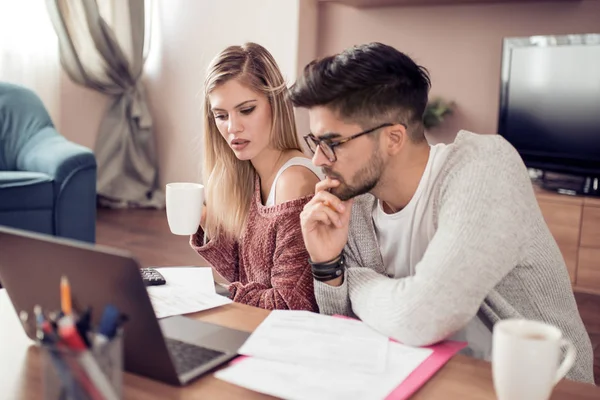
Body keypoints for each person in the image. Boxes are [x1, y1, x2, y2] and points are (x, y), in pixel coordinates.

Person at [289, 42, 594, 383]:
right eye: (315, 142)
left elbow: (420, 318)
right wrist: (328, 265)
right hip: (425, 381)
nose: (318, 160)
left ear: (393, 138)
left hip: (537, 388)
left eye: (332, 143)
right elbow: (344, 330)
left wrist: (355, 279)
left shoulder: (485, 168)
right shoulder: (353, 205)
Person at [190, 42, 322, 311]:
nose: (233, 128)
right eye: (221, 115)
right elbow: (244, 275)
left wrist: (215, 293)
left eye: (247, 110)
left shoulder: (294, 181)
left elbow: (289, 304)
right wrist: (205, 222)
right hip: (258, 328)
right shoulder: (250, 174)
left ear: (275, 104)